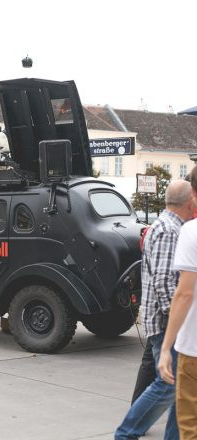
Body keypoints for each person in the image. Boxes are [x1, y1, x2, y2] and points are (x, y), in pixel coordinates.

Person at [115, 179, 195, 440]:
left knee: (177, 388)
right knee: (166, 384)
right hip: (166, 323)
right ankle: (126, 434)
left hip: (170, 322)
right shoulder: (168, 231)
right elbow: (165, 285)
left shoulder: (173, 227)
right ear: (189, 201)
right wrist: (180, 321)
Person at [159, 167, 197, 439]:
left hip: (193, 348)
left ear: (193, 194)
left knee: (190, 428)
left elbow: (184, 293)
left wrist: (165, 347)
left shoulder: (190, 232)